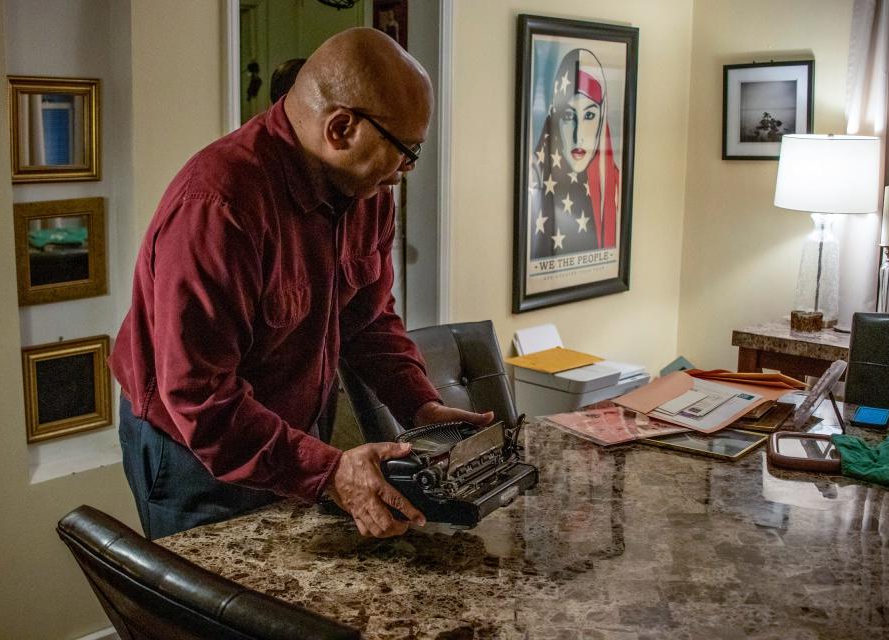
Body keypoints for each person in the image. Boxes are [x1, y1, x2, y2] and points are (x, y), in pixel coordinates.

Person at [110, 27, 492, 541]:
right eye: (407, 150)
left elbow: (370, 320)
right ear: (340, 129)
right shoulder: (217, 207)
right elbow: (199, 397)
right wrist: (329, 470)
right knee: (218, 614)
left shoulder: (368, 194)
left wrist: (421, 408)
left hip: (292, 428)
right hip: (191, 452)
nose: (406, 171)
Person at [530, 48, 620, 259]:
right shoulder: (534, 175)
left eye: (589, 115)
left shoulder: (613, 181)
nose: (579, 135)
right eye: (569, 116)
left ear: (601, 120)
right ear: (556, 117)